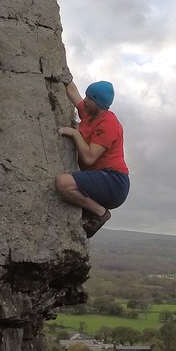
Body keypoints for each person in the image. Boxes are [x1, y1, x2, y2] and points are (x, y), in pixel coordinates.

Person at [55, 76, 129, 237]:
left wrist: (75, 133)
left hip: (114, 182)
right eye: (87, 96)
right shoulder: (89, 112)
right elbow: (73, 92)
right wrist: (63, 76)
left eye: (89, 98)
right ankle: (91, 212)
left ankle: (101, 213)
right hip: (102, 178)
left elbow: (89, 158)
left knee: (63, 183)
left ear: (99, 104)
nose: (85, 100)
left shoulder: (108, 124)